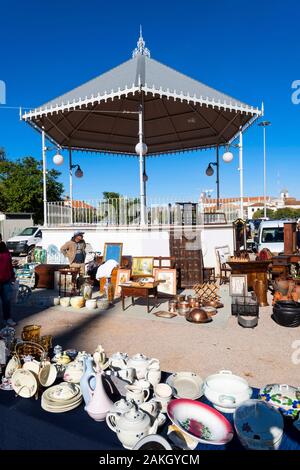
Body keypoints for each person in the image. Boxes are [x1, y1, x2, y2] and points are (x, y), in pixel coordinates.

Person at [0, 239, 17, 326]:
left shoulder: (6, 250)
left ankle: (8, 318)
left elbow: (9, 264)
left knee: (6, 301)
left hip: (6, 280)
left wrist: (13, 275)